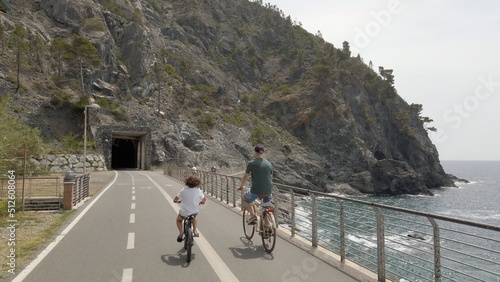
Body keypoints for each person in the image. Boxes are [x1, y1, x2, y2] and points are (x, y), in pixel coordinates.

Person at [237, 144, 273, 225]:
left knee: (244, 200)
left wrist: (241, 186)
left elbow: (245, 176)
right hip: (268, 191)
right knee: (265, 207)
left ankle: (253, 215)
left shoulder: (252, 163)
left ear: (255, 152)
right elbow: (269, 176)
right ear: (263, 152)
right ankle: (268, 226)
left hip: (256, 190)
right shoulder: (269, 163)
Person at [173, 175, 206, 242]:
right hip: (194, 212)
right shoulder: (198, 190)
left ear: (187, 182)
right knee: (194, 216)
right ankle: (195, 231)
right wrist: (202, 202)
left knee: (179, 220)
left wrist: (176, 201)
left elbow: (176, 198)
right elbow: (204, 199)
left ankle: (181, 233)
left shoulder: (183, 190)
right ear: (197, 183)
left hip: (183, 212)